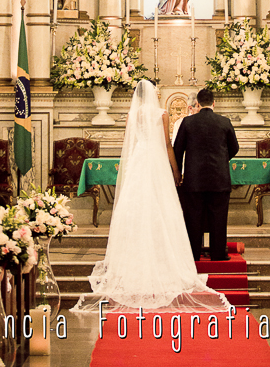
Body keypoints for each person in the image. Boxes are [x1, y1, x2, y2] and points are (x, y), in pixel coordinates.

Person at [73, 79, 227, 312]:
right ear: (154, 93)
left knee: (136, 208)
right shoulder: (162, 114)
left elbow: (130, 144)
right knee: (162, 207)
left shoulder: (132, 115)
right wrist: (176, 171)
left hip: (139, 161)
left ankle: (133, 257)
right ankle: (163, 256)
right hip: (156, 162)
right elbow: (167, 145)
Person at [174, 87, 239, 262]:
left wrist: (178, 173)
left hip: (194, 179)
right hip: (219, 178)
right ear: (214, 103)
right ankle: (218, 254)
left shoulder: (187, 122)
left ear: (198, 103)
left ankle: (193, 254)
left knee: (194, 217)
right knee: (219, 217)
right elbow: (235, 147)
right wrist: (222, 159)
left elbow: (178, 150)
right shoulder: (224, 122)